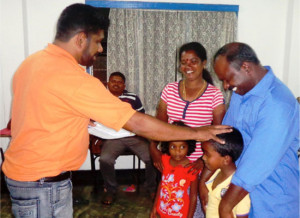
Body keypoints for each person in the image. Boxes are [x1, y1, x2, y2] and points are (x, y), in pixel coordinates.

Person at [2, 4, 232, 217]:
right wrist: (197, 133)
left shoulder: (31, 63)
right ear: (82, 38)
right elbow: (138, 123)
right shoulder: (72, 78)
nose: (101, 48)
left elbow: (42, 114)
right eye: (98, 42)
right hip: (43, 184)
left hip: (26, 177)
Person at [212, 42, 299, 218]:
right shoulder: (241, 92)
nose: (226, 86)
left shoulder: (278, 103)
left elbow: (257, 163)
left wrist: (226, 205)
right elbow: (228, 136)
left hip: (271, 201)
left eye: (227, 79)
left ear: (246, 67)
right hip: (239, 194)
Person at [150, 41, 226, 217]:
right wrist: (154, 149)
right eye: (184, 62)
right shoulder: (169, 90)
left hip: (196, 168)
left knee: (193, 210)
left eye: (193, 61)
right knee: (169, 206)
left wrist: (201, 161)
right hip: (171, 163)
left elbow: (218, 135)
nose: (188, 66)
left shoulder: (214, 95)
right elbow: (157, 126)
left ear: (204, 63)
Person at [100, 72, 157, 205]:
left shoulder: (132, 97)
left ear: (124, 85)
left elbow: (141, 117)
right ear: (108, 83)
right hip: (112, 137)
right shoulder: (102, 97)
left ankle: (151, 188)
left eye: (119, 82)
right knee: (105, 159)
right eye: (113, 81)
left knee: (151, 157)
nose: (116, 84)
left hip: (133, 136)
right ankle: (110, 190)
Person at [151, 121, 198, 218]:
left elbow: (193, 197)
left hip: (180, 213)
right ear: (167, 146)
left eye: (182, 147)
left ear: (189, 146)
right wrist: (155, 206)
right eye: (173, 147)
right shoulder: (164, 160)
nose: (177, 151)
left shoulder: (191, 168)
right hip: (164, 210)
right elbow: (162, 184)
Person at [202, 128, 250, 218]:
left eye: (207, 154)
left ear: (226, 159)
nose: (203, 157)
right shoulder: (216, 173)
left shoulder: (237, 189)